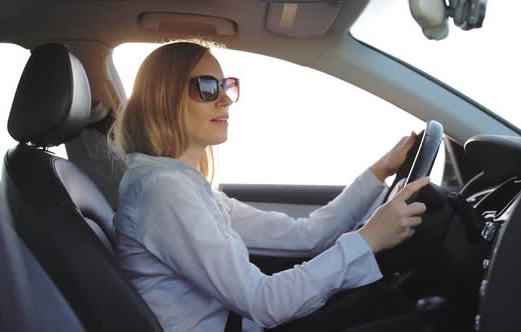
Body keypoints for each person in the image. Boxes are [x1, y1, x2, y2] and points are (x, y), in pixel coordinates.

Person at [110, 40, 430, 332]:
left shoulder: (186, 186)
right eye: (207, 87)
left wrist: (379, 172)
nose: (225, 100)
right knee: (416, 320)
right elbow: (263, 301)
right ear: (164, 96)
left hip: (242, 325)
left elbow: (306, 235)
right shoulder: (162, 191)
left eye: (227, 86)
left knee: (393, 306)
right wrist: (369, 239)